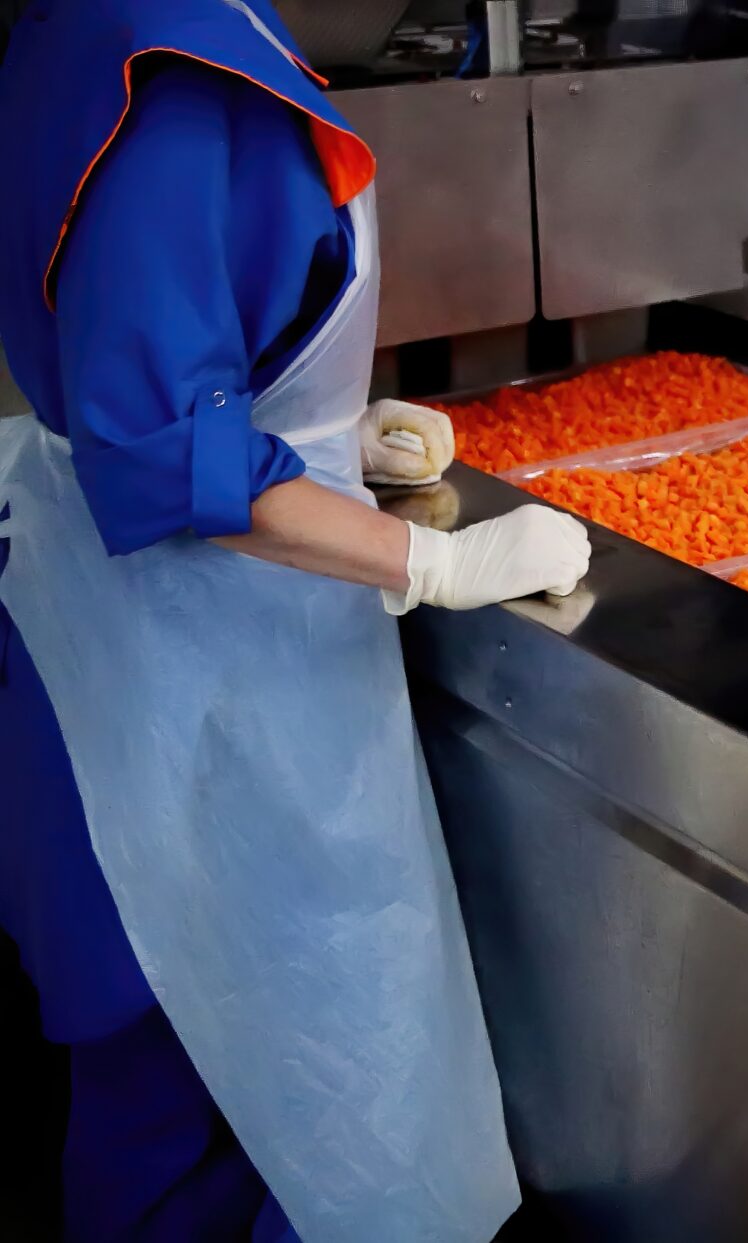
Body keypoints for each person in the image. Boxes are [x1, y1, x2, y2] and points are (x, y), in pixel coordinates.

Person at [0, 2, 591, 1238]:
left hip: (167, 650)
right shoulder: (169, 76)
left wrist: (315, 430)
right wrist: (432, 556)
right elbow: (157, 452)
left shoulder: (107, 25)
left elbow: (166, 331)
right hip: (178, 678)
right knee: (200, 1078)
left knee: (226, 1060)